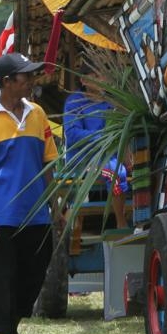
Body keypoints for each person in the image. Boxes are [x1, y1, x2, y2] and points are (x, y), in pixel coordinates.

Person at [0, 52, 60, 334]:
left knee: (32, 277)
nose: (31, 80)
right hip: (2, 217)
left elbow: (48, 164)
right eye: (25, 76)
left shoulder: (38, 114)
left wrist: (56, 206)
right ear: (6, 82)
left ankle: (11, 332)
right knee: (3, 279)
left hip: (37, 214)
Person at [63, 67, 131, 229]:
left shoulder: (112, 102)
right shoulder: (74, 102)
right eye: (96, 75)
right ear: (84, 81)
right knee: (116, 173)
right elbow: (72, 133)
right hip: (84, 160)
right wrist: (102, 137)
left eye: (104, 74)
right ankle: (121, 223)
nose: (102, 78)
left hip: (109, 156)